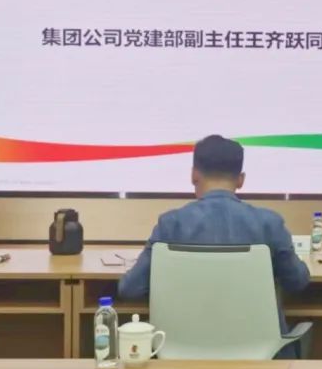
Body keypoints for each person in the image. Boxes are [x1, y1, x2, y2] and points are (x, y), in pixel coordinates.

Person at [118, 135, 311, 353]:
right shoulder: (270, 224)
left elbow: (129, 289)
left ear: (194, 175)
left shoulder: (170, 225)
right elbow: (298, 282)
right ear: (241, 180)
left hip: (179, 357)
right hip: (261, 358)